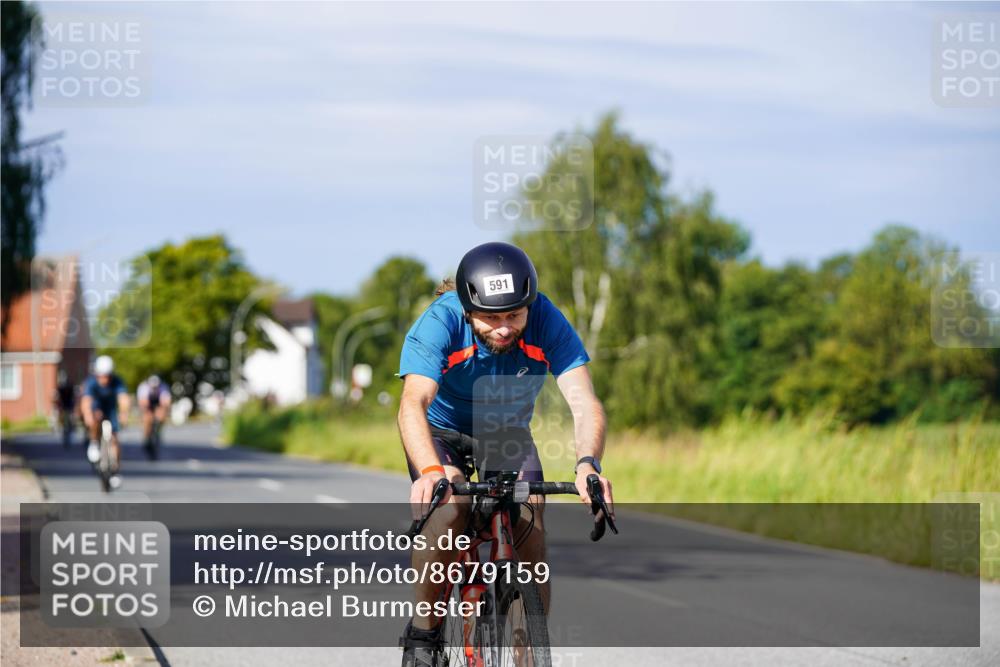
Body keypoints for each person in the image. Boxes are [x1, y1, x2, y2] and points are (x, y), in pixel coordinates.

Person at [397, 241, 614, 665]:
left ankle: (527, 650)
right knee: (451, 509)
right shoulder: (440, 322)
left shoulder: (546, 319)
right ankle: (423, 633)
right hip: (441, 432)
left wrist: (588, 463)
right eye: (491, 318)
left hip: (504, 432)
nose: (503, 328)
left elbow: (584, 402)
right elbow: (412, 404)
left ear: (529, 305)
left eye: (513, 315)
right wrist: (430, 470)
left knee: (531, 516)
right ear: (467, 309)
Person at [81, 355, 130, 489]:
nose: (104, 379)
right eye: (101, 376)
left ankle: (115, 469)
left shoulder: (117, 381)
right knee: (95, 418)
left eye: (107, 376)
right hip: (97, 407)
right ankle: (94, 443)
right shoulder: (91, 383)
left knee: (115, 439)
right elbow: (86, 401)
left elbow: (123, 399)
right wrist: (87, 415)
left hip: (111, 409)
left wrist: (124, 413)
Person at [137, 374, 171, 457]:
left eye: (156, 387)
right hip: (147, 404)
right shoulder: (143, 388)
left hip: (158, 403)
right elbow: (143, 403)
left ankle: (158, 431)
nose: (154, 388)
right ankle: (146, 438)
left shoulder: (163, 387)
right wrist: (148, 413)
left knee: (162, 414)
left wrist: (163, 412)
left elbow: (166, 402)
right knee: (147, 418)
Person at [52, 370, 77, 447]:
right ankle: (56, 425)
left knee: (71, 417)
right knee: (57, 414)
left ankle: (72, 426)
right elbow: (56, 398)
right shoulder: (59, 388)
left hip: (69, 405)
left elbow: (74, 397)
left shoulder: (70, 387)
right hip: (63, 406)